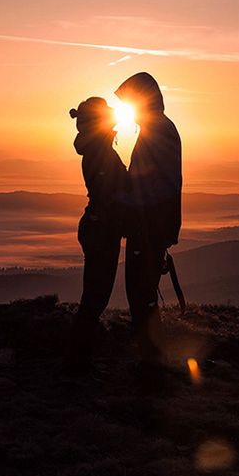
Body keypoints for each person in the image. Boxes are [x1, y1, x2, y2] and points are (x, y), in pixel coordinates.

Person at [114, 72, 182, 369]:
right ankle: (151, 360)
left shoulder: (158, 131)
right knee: (142, 293)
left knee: (141, 294)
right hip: (151, 227)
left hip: (149, 228)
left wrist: (126, 202)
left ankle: (152, 366)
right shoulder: (157, 129)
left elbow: (161, 185)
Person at [65, 97, 128, 376]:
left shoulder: (95, 148)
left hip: (97, 227)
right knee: (95, 297)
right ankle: (77, 361)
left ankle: (79, 358)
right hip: (102, 229)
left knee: (94, 294)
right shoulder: (100, 151)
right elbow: (111, 195)